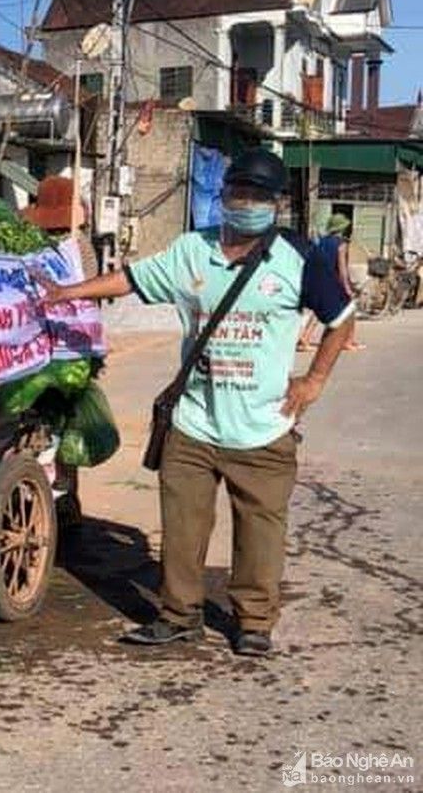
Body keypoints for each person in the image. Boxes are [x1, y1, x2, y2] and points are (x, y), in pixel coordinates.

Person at [36, 149, 355, 657]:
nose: (247, 202)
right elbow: (132, 281)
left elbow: (341, 319)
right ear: (224, 196)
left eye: (259, 195)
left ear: (276, 206)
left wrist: (313, 380)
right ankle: (178, 615)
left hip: (264, 428)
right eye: (239, 192)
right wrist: (65, 293)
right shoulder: (192, 251)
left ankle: (253, 622)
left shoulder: (299, 257)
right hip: (194, 424)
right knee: (182, 531)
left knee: (260, 534)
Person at [299, 214, 362, 351]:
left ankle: (305, 338)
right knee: (349, 308)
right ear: (342, 228)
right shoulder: (341, 244)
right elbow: (342, 270)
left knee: (319, 310)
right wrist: (347, 289)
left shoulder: (322, 241)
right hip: (332, 282)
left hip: (318, 280)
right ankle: (347, 341)